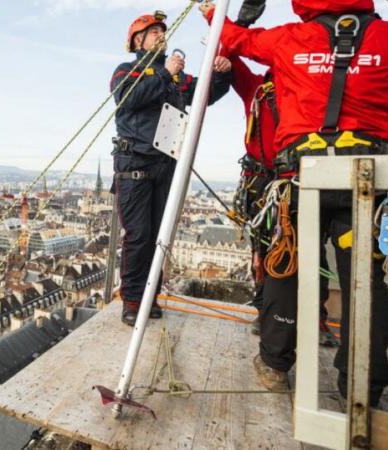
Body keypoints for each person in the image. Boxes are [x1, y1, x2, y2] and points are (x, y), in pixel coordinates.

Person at [200, 0, 388, 405]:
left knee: (286, 265)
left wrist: (210, 10)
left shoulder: (290, 40)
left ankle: (275, 363)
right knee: (367, 280)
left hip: (302, 177)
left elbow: (237, 39)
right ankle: (364, 387)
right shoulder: (384, 39)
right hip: (370, 178)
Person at [111, 11, 232, 326]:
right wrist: (164, 73)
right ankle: (133, 299)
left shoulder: (174, 77)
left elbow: (206, 93)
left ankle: (149, 296)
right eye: (153, 32)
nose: (160, 36)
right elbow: (127, 97)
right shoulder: (127, 71)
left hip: (164, 167)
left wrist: (221, 74)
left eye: (162, 31)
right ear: (138, 40)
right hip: (134, 166)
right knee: (138, 236)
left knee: (157, 238)